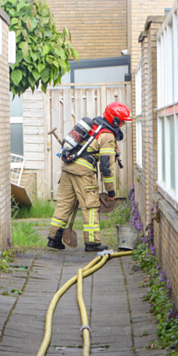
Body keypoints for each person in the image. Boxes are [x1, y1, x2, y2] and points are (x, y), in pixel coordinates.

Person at [48, 102, 131, 251]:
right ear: (116, 120)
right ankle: (92, 242)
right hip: (83, 172)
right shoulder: (107, 135)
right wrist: (111, 191)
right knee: (91, 206)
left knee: (64, 203)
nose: (123, 124)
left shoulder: (95, 125)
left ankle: (54, 238)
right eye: (123, 121)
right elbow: (106, 167)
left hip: (68, 167)